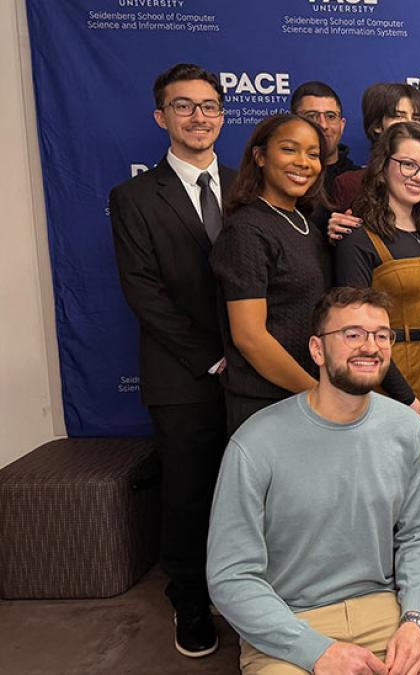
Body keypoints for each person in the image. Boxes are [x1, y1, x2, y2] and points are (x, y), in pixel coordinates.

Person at [206, 286, 420, 675]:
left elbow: (418, 534)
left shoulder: (406, 428)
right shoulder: (256, 442)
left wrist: (416, 619)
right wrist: (316, 650)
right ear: (317, 350)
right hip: (286, 621)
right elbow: (230, 576)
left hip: (384, 613)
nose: (370, 346)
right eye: (352, 334)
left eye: (382, 335)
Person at [109, 62, 232, 659]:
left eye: (208, 105)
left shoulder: (247, 188)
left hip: (255, 374)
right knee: (189, 493)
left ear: (223, 114)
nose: (198, 116)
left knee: (253, 491)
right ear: (162, 117)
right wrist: (214, 358)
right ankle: (189, 599)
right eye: (184, 106)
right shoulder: (134, 197)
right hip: (182, 376)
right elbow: (144, 293)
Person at [333, 121, 420, 466]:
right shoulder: (357, 237)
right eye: (408, 164)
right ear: (383, 165)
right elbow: (356, 329)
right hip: (386, 379)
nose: (418, 176)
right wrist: (404, 397)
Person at [210, 113, 332, 433]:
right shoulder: (247, 230)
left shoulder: (306, 224)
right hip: (268, 405)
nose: (303, 162)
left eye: (313, 153)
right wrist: (318, 394)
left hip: (308, 399)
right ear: (260, 156)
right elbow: (250, 337)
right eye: (289, 149)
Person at [331, 82, 420, 211]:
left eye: (416, 118)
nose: (409, 124)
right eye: (399, 116)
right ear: (377, 125)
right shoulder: (351, 185)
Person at [290, 81, 356, 194]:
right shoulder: (282, 179)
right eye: (311, 116)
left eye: (331, 116)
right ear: (292, 123)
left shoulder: (360, 182)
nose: (323, 125)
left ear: (342, 125)